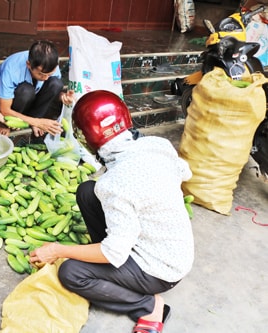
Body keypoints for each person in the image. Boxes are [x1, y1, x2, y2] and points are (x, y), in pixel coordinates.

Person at [29, 90, 194, 333]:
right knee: (87, 191)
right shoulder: (158, 144)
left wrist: (57, 250)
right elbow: (185, 173)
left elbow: (114, 251)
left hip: (161, 269)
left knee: (71, 273)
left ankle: (148, 305)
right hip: (174, 249)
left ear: (88, 139)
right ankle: (111, 267)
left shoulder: (114, 184)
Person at [0, 40, 75, 136]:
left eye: (49, 74)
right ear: (28, 64)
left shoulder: (51, 63)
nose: (46, 78)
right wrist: (37, 122)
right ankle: (6, 122)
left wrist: (62, 96)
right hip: (5, 101)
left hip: (32, 97)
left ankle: (35, 117)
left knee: (56, 84)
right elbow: (5, 109)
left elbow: (50, 89)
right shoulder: (12, 69)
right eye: (41, 74)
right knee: (26, 91)